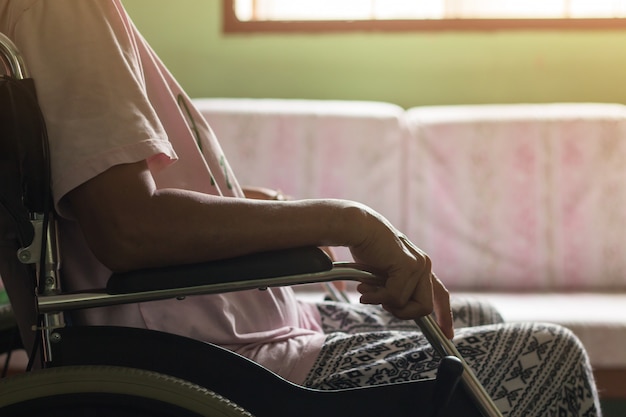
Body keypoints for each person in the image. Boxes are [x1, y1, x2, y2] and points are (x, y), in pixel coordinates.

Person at [0, 1, 601, 415]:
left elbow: (107, 205)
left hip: (223, 323)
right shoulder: (62, 12)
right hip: (215, 359)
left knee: (477, 311)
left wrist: (243, 206)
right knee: (548, 355)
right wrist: (351, 220)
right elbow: (126, 227)